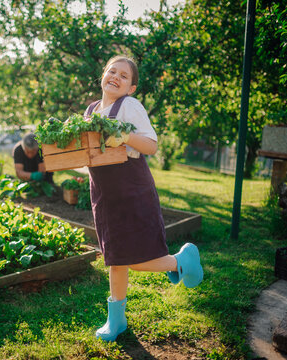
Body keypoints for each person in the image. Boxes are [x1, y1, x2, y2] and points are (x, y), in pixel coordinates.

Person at [85, 55, 203, 342]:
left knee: (134, 259)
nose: (115, 76)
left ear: (132, 87)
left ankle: (180, 261)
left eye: (123, 76)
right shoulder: (91, 110)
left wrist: (123, 135)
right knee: (115, 258)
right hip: (104, 194)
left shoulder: (129, 107)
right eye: (112, 71)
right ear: (103, 74)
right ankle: (117, 321)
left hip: (132, 192)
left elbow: (150, 145)